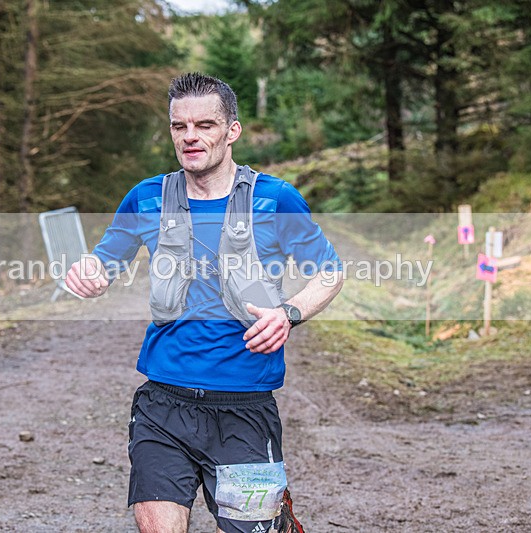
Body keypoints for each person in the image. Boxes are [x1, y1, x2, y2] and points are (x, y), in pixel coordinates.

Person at [65, 73, 342, 533]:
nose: (191, 136)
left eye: (205, 125)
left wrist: (288, 314)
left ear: (231, 130)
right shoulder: (147, 197)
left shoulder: (275, 199)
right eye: (180, 126)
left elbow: (329, 272)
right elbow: (104, 262)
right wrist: (89, 274)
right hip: (162, 404)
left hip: (245, 407)